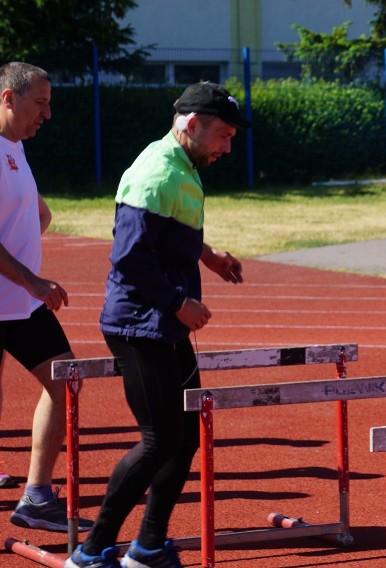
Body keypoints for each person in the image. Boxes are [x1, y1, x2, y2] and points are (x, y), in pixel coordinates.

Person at [65, 82, 249, 568]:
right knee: (158, 439)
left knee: (185, 436)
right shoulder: (155, 173)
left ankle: (147, 547)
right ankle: (90, 551)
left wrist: (206, 255)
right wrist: (177, 303)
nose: (227, 147)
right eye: (223, 136)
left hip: (163, 324)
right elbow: (128, 258)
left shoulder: (183, 164)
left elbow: (168, 234)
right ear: (191, 125)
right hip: (137, 324)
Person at [0, 61, 96, 533]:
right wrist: (32, 280)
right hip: (14, 300)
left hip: (14, 302)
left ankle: (37, 496)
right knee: (65, 380)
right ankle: (37, 496)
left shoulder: (14, 147)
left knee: (64, 383)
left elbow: (39, 213)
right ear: (8, 98)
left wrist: (28, 236)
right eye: (40, 103)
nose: (48, 114)